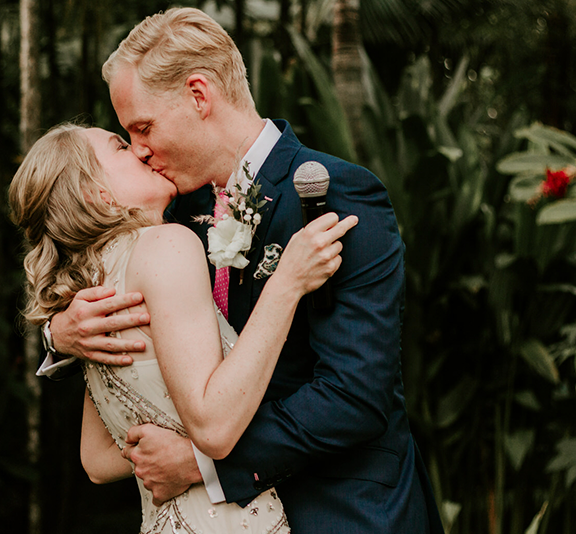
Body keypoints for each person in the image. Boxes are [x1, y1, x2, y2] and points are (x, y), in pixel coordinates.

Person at [41, 7, 445, 534]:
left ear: (198, 95)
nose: (139, 150)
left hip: (343, 513)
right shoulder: (169, 218)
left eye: (143, 127)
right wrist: (59, 334)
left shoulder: (336, 193)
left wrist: (202, 464)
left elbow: (354, 396)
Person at [9, 122, 357, 534]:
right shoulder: (165, 245)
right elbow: (214, 428)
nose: (139, 152)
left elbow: (97, 459)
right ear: (96, 194)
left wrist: (177, 456)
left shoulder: (92, 291)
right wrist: (288, 283)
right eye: (120, 147)